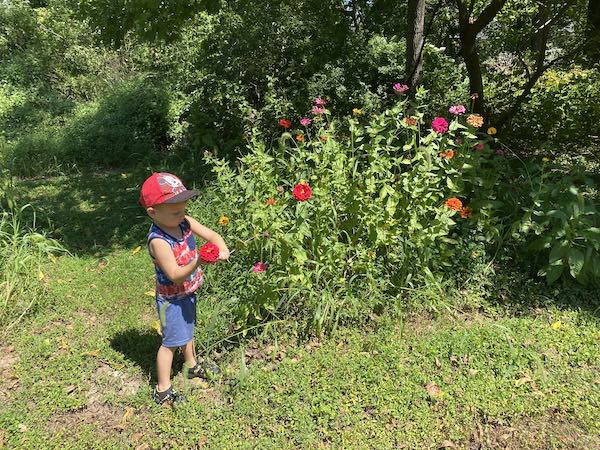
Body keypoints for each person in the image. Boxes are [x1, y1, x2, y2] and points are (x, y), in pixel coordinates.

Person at [139, 172, 230, 405]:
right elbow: (175, 275)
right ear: (153, 212)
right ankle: (163, 388)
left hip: (189, 292)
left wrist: (221, 247)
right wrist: (199, 260)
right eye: (175, 211)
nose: (182, 215)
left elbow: (211, 234)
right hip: (172, 298)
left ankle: (191, 365)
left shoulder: (184, 222)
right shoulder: (158, 240)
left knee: (188, 330)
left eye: (183, 208)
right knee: (170, 343)